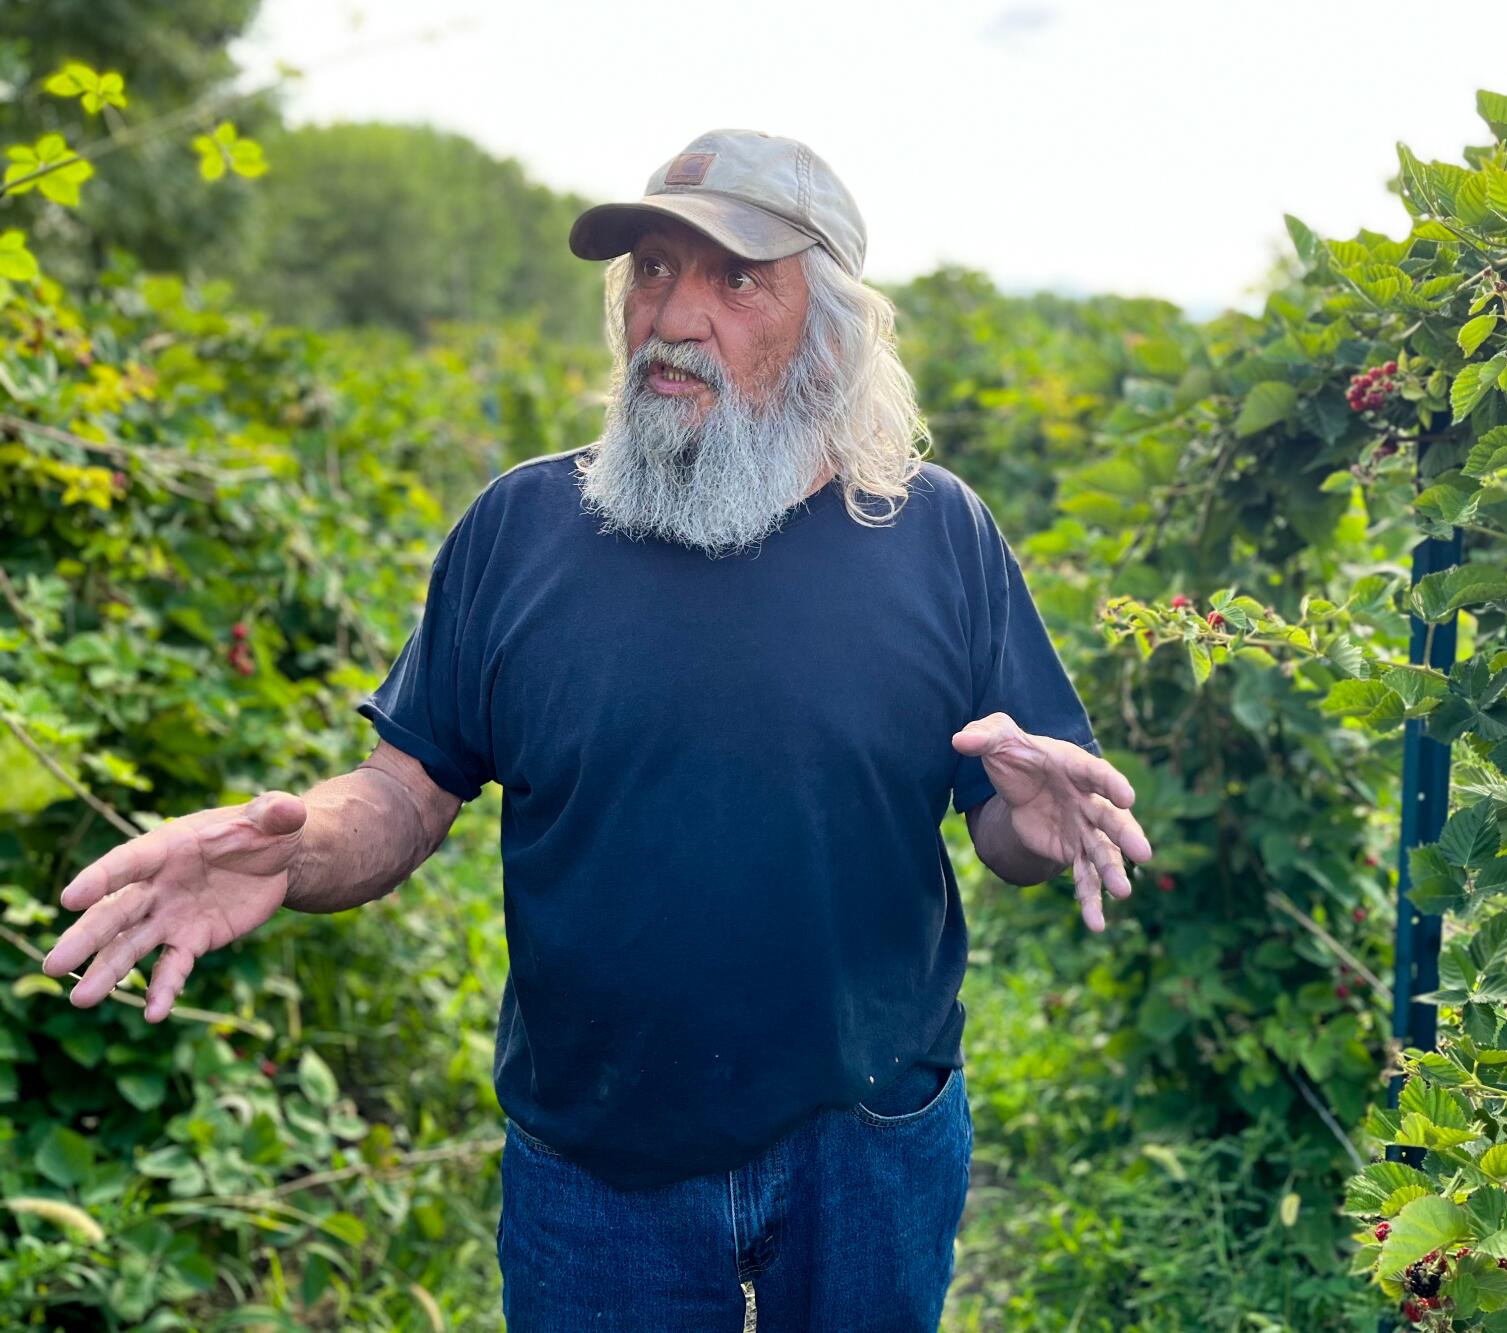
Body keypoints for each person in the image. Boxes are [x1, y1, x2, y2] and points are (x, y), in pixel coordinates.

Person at [41, 127, 1153, 1331]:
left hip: (868, 1140)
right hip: (594, 1165)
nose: (675, 316)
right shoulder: (520, 529)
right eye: (654, 272)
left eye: (733, 278)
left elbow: (1006, 821)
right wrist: (297, 845)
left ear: (827, 326)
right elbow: (408, 790)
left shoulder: (934, 535)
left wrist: (1036, 829)